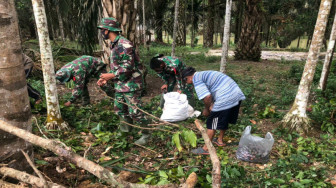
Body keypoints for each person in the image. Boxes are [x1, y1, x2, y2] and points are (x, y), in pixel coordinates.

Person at [96, 17, 149, 145]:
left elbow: (127, 68)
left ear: (108, 30)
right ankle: (126, 131)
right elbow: (118, 67)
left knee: (135, 111)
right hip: (120, 84)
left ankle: (147, 135)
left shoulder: (124, 45)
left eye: (103, 30)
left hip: (131, 84)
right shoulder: (114, 44)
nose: (102, 32)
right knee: (120, 109)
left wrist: (111, 75)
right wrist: (107, 79)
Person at [182, 67, 246, 155]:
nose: (188, 83)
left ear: (188, 78)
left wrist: (207, 109)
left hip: (225, 97)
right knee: (224, 117)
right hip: (236, 94)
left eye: (186, 81)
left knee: (212, 123)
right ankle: (220, 140)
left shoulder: (196, 80)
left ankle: (206, 149)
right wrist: (212, 104)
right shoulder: (204, 74)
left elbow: (207, 97)